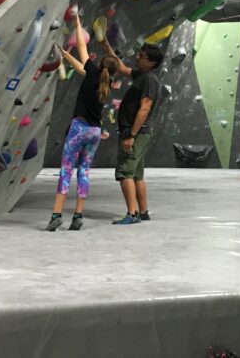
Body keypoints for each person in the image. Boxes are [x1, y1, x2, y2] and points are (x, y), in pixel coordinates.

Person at [45, 14, 120, 231]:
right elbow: (83, 69)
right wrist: (67, 56)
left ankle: (56, 215)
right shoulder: (107, 80)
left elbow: (81, 45)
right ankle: (78, 216)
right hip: (95, 131)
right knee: (84, 172)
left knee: (66, 170)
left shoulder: (94, 74)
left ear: (98, 65)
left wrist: (78, 23)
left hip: (78, 129)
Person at [102, 39, 164, 225]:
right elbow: (121, 68)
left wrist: (131, 135)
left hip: (136, 133)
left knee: (125, 172)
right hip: (139, 133)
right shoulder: (143, 75)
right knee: (137, 174)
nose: (138, 56)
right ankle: (143, 212)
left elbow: (144, 109)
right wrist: (106, 44)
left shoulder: (149, 81)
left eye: (142, 56)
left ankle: (132, 213)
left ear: (151, 62)